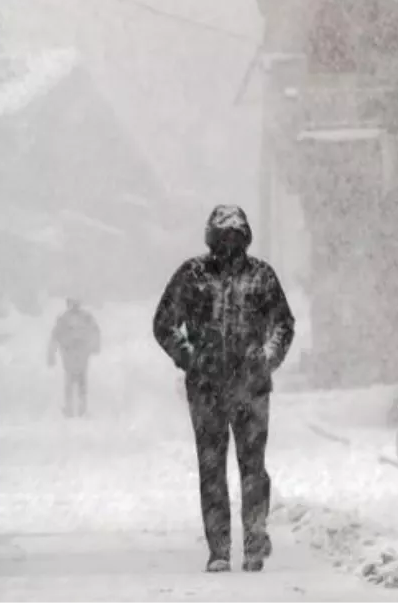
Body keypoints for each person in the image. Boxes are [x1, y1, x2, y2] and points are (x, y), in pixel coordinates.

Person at [152, 204, 294, 575]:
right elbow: (164, 323)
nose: (229, 243)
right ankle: (219, 549)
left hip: (252, 387)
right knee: (212, 470)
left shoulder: (262, 276)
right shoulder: (192, 274)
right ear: (212, 237)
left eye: (236, 235)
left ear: (245, 237)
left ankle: (253, 540)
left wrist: (266, 359)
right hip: (207, 389)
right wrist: (189, 357)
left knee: (252, 468)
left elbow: (283, 323)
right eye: (223, 235)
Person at [46, 297, 101, 417]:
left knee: (74, 379)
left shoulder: (68, 318)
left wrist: (51, 354)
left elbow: (55, 336)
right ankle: (76, 407)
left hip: (74, 352)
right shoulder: (77, 318)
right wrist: (51, 354)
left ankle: (76, 408)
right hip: (73, 352)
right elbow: (55, 335)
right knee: (77, 379)